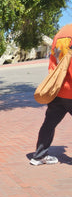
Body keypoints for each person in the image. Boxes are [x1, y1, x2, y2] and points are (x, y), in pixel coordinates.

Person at [30, 23, 72, 165]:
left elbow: (55, 61)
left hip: (58, 89)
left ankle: (39, 156)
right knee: (49, 123)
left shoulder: (61, 33)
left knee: (49, 123)